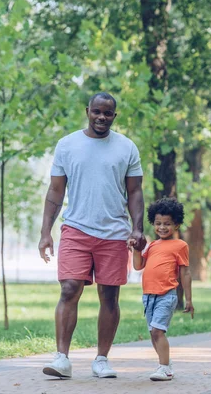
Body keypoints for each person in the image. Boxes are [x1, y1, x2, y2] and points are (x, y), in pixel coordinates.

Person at [38, 92, 146, 379]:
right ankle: (62, 358)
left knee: (109, 296)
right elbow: (55, 191)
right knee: (69, 288)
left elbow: (135, 192)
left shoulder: (126, 148)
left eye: (107, 113)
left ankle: (101, 359)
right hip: (76, 228)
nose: (101, 117)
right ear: (88, 111)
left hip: (114, 233)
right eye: (96, 112)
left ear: (114, 115)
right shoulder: (68, 145)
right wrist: (45, 232)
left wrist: (137, 227)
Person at [129, 197, 194, 381]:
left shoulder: (180, 245)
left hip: (167, 295)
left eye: (167, 224)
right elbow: (138, 266)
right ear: (153, 223)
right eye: (158, 223)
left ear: (177, 225)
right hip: (148, 297)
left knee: (158, 331)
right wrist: (135, 250)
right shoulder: (152, 246)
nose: (162, 227)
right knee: (153, 333)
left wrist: (188, 299)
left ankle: (165, 368)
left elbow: (185, 273)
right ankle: (164, 364)